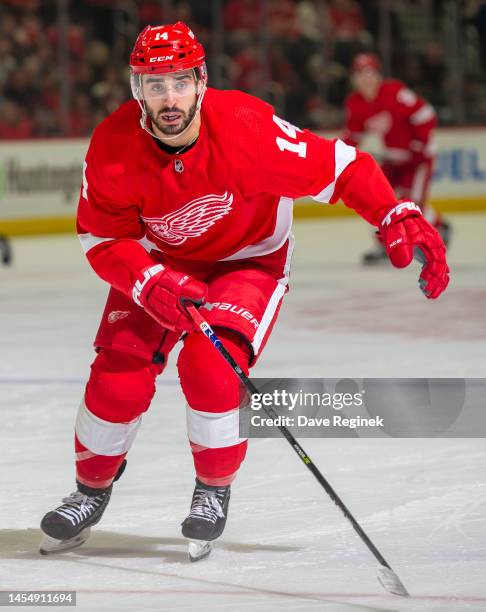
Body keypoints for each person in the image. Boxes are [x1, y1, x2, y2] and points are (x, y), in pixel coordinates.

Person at [39, 23, 449, 560]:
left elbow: (344, 168)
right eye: (155, 85)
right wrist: (146, 279)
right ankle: (90, 491)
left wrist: (395, 210)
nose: (169, 99)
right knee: (118, 371)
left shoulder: (246, 130)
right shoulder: (113, 146)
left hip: (249, 260)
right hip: (161, 265)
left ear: (201, 81)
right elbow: (101, 234)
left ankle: (212, 489)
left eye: (179, 83)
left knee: (211, 366)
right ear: (136, 88)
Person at [342, 52, 452, 264]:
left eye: (370, 72)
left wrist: (419, 145)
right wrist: (336, 153)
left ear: (378, 75)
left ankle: (439, 225)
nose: (365, 79)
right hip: (394, 159)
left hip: (418, 159)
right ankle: (385, 245)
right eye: (360, 74)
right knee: (375, 197)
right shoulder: (355, 103)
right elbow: (354, 136)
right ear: (353, 79)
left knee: (413, 205)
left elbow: (425, 114)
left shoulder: (394, 92)